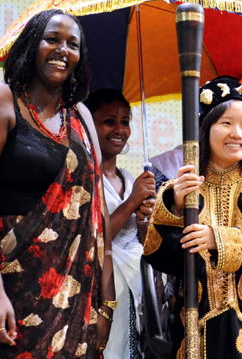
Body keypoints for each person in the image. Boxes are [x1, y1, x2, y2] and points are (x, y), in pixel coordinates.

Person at [0, 9, 114, 358]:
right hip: (8, 288)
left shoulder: (81, 116)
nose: (63, 50)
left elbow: (96, 217)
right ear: (31, 45)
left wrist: (107, 302)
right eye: (53, 39)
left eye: (72, 44)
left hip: (73, 298)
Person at [143, 77, 242, 359]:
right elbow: (155, 252)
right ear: (204, 129)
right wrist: (174, 206)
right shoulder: (182, 193)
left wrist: (220, 240)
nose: (237, 133)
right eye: (226, 123)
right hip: (194, 327)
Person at [85, 89, 156, 359]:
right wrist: (130, 203)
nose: (119, 129)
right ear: (90, 125)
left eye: (125, 121)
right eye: (109, 121)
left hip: (136, 286)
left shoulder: (129, 178)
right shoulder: (86, 176)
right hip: (103, 287)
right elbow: (94, 238)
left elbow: (144, 241)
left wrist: (144, 215)